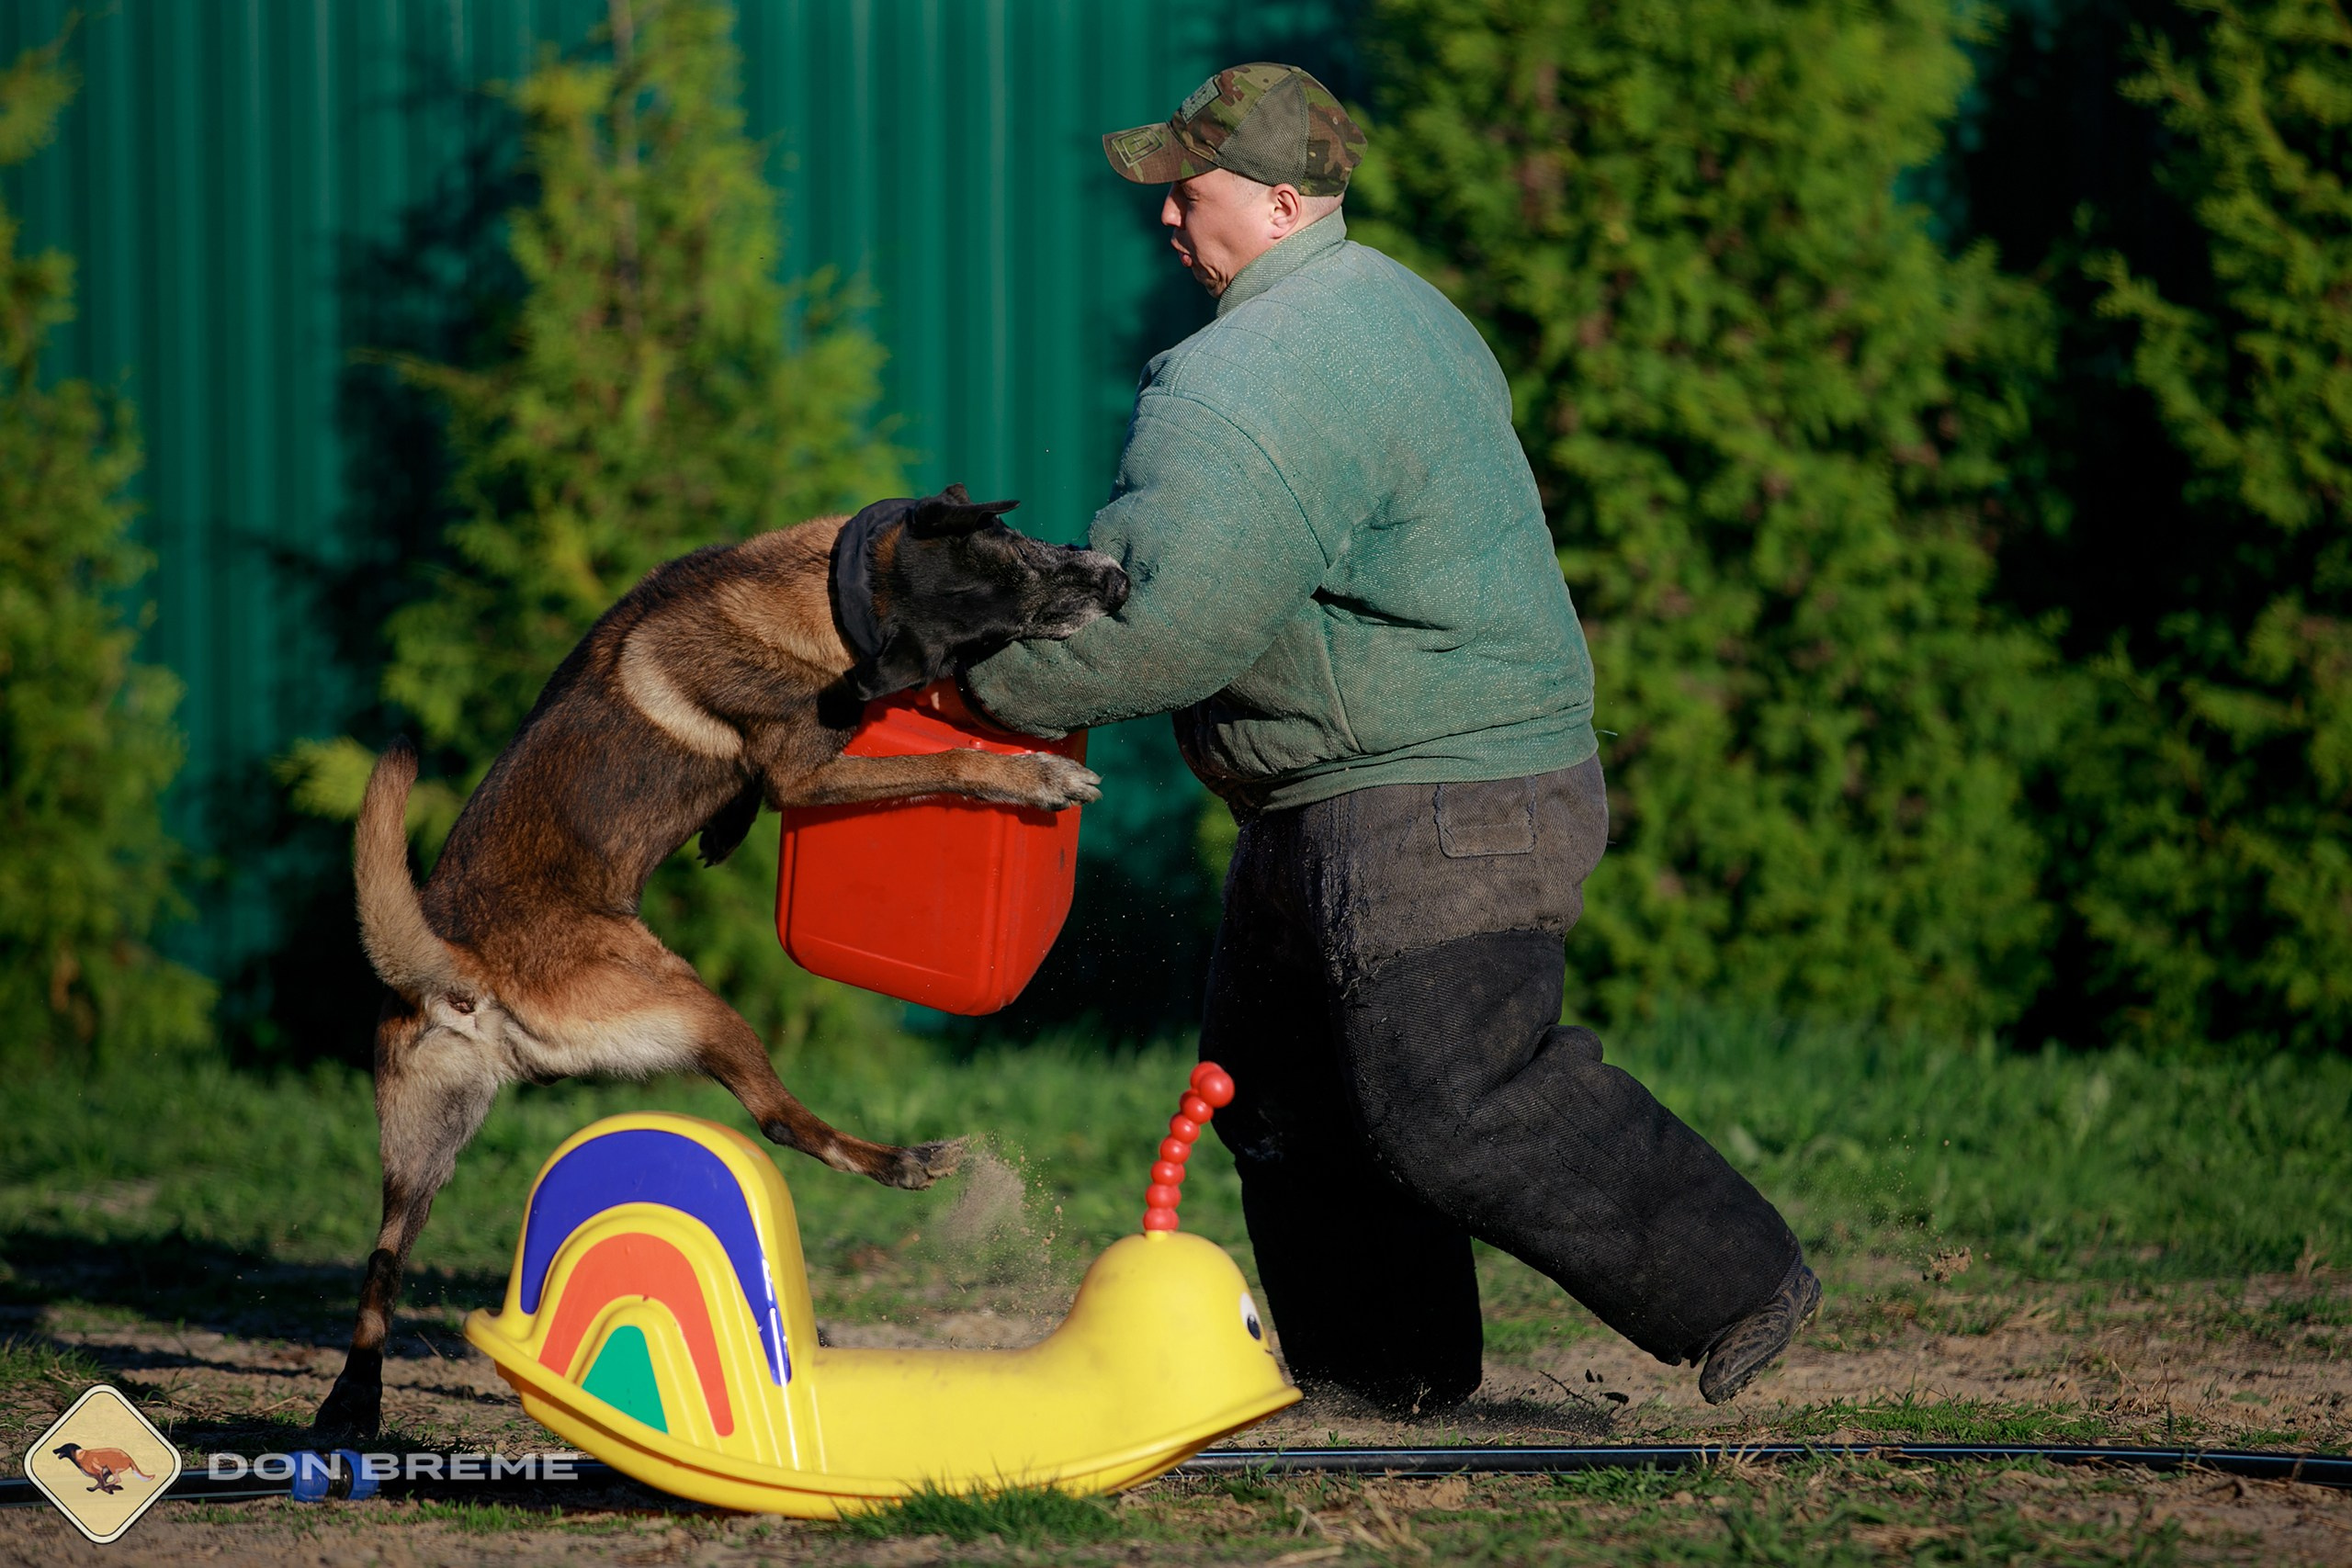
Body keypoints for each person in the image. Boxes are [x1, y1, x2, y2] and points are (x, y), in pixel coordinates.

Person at [962, 62, 1819, 1412]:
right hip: (1365, 782)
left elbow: (1164, 630)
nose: (1167, 222)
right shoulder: (1397, 304)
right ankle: (1386, 1385)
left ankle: (1734, 1277)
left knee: (1451, 1096)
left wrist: (974, 690)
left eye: (1190, 195)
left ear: (1285, 201)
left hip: (1430, 797)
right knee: (1283, 1103)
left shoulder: (1256, 373)